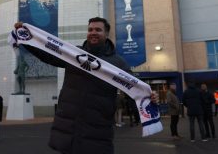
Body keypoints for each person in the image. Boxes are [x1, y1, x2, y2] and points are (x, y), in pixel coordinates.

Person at [14, 17, 132, 154]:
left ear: (106, 34)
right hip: (68, 131)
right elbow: (47, 54)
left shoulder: (118, 63)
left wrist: (149, 97)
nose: (93, 32)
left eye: (98, 30)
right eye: (90, 29)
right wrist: (27, 39)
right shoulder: (74, 53)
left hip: (98, 134)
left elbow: (134, 87)